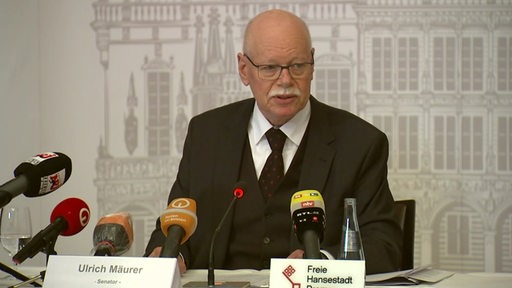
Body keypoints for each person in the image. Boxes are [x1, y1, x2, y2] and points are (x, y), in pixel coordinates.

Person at [145, 9, 402, 275]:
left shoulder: (360, 143)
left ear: (312, 64)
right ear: (244, 70)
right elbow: (172, 229)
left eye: (297, 66)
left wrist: (322, 262)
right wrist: (169, 255)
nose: (286, 80)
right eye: (269, 68)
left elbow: (385, 247)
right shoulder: (206, 134)